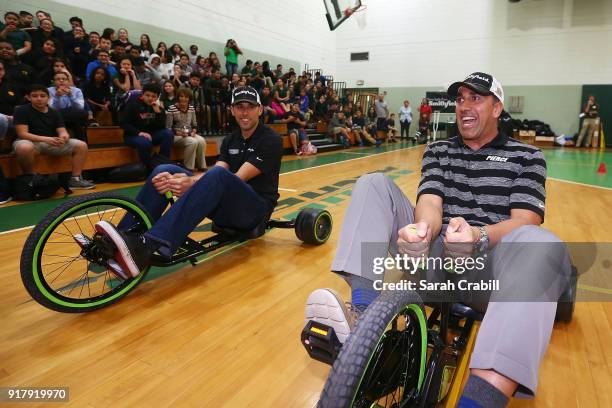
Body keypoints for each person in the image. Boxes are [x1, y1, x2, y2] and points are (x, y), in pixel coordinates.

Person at [305, 72, 572, 407]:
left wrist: (478, 236)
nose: (464, 106)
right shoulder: (439, 149)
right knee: (373, 184)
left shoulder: (526, 156)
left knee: (540, 243)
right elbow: (430, 200)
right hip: (433, 259)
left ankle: (480, 398)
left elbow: (524, 220)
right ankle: (360, 312)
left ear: (497, 108)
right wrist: (422, 231)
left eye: (476, 98)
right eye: (460, 99)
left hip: (489, 272)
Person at [94, 86, 283, 279]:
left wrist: (190, 183)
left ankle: (147, 245)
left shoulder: (271, 140)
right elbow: (219, 170)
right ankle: (122, 238)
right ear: (232, 110)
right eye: (239, 106)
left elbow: (235, 178)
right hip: (227, 206)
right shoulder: (230, 140)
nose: (245, 112)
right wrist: (182, 179)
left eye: (250, 107)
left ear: (259, 110)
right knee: (163, 170)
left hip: (254, 211)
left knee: (216, 175)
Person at [13, 84, 95, 189]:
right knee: (24, 147)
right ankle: (29, 179)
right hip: (30, 141)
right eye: (35, 96)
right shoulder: (21, 110)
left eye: (42, 96)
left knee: (81, 145)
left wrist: (64, 137)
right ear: (29, 97)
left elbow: (62, 131)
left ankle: (75, 179)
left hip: (50, 142)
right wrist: (47, 139)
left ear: (49, 98)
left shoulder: (54, 112)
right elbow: (22, 133)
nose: (39, 99)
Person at [119, 82, 174, 170]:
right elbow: (123, 123)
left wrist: (158, 113)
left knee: (168, 134)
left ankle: (162, 163)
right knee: (145, 143)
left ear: (157, 97)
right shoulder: (133, 105)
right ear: (142, 94)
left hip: (151, 134)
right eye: (147, 95)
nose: (150, 98)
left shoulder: (157, 107)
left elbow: (161, 127)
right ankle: (148, 169)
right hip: (133, 135)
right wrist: (139, 133)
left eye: (153, 96)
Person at [166, 87, 207, 171]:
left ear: (189, 98)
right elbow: (168, 127)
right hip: (176, 135)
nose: (184, 99)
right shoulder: (172, 108)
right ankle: (188, 167)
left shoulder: (191, 108)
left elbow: (194, 124)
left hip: (189, 133)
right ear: (178, 97)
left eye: (186, 97)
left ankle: (201, 165)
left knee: (201, 140)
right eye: (181, 96)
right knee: (192, 141)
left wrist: (194, 131)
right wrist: (179, 133)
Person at [48, 71, 88, 141]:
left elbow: (80, 108)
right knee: (77, 118)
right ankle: (83, 142)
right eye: (58, 79)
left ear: (69, 81)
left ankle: (81, 144)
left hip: (71, 116)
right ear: (54, 82)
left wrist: (71, 96)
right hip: (54, 115)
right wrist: (57, 97)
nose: (61, 81)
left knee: (79, 116)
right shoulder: (49, 90)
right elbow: (50, 108)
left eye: (64, 79)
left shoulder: (76, 91)